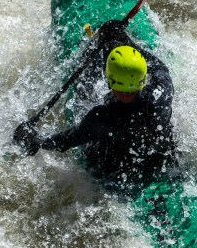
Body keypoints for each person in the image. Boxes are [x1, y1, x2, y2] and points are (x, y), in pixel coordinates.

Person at [13, 20, 177, 188]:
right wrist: (129, 43)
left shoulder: (101, 117)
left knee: (94, 147)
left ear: (109, 79)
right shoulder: (161, 94)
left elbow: (65, 141)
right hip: (160, 160)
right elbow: (160, 68)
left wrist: (36, 139)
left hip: (117, 172)